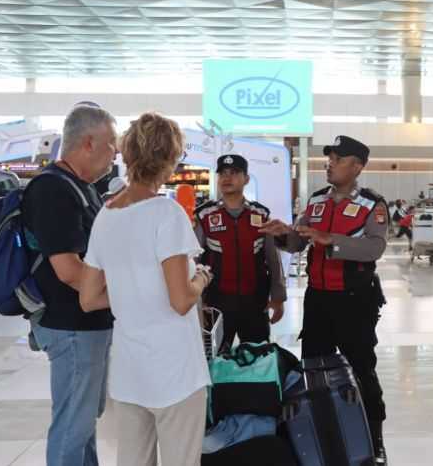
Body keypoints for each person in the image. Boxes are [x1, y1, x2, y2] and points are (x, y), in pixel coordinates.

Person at [79, 112, 213, 466]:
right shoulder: (166, 214)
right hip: (175, 372)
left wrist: (130, 290)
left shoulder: (106, 215)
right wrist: (200, 277)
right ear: (170, 159)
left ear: (128, 154)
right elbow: (181, 300)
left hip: (129, 371)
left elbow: (89, 298)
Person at [259, 135, 389, 465]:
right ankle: (317, 432)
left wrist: (330, 239)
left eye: (338, 158)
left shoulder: (373, 205)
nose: (329, 162)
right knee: (313, 368)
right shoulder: (316, 202)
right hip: (318, 301)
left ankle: (374, 438)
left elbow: (375, 247)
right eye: (329, 157)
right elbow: (297, 242)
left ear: (357, 166)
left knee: (361, 370)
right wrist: (282, 234)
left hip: (355, 301)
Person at [22, 103, 117, 466]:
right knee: (72, 427)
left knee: (82, 423)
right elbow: (69, 270)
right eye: (111, 144)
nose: (115, 153)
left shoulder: (81, 188)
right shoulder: (53, 190)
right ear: (88, 142)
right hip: (72, 326)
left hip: (87, 324)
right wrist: (124, 294)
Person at [194, 154, 286, 353]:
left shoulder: (260, 215)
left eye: (234, 173)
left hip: (255, 303)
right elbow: (194, 261)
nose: (227, 178)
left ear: (246, 179)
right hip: (216, 305)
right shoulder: (205, 216)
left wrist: (278, 296)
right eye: (222, 174)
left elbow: (273, 259)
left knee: (258, 361)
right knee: (214, 360)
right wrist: (197, 302)